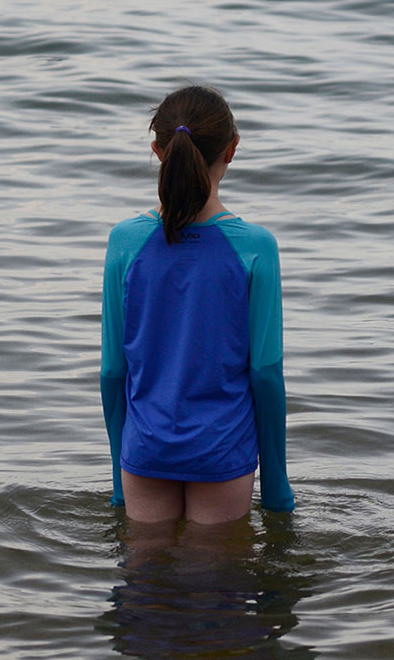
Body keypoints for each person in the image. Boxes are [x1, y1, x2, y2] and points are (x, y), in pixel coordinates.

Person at [100, 85, 294, 523]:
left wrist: (119, 475)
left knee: (144, 585)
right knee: (216, 587)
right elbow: (265, 374)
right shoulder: (255, 248)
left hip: (144, 448)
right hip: (220, 452)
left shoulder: (125, 242)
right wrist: (277, 489)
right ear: (233, 149)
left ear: (157, 150)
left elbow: (114, 371)